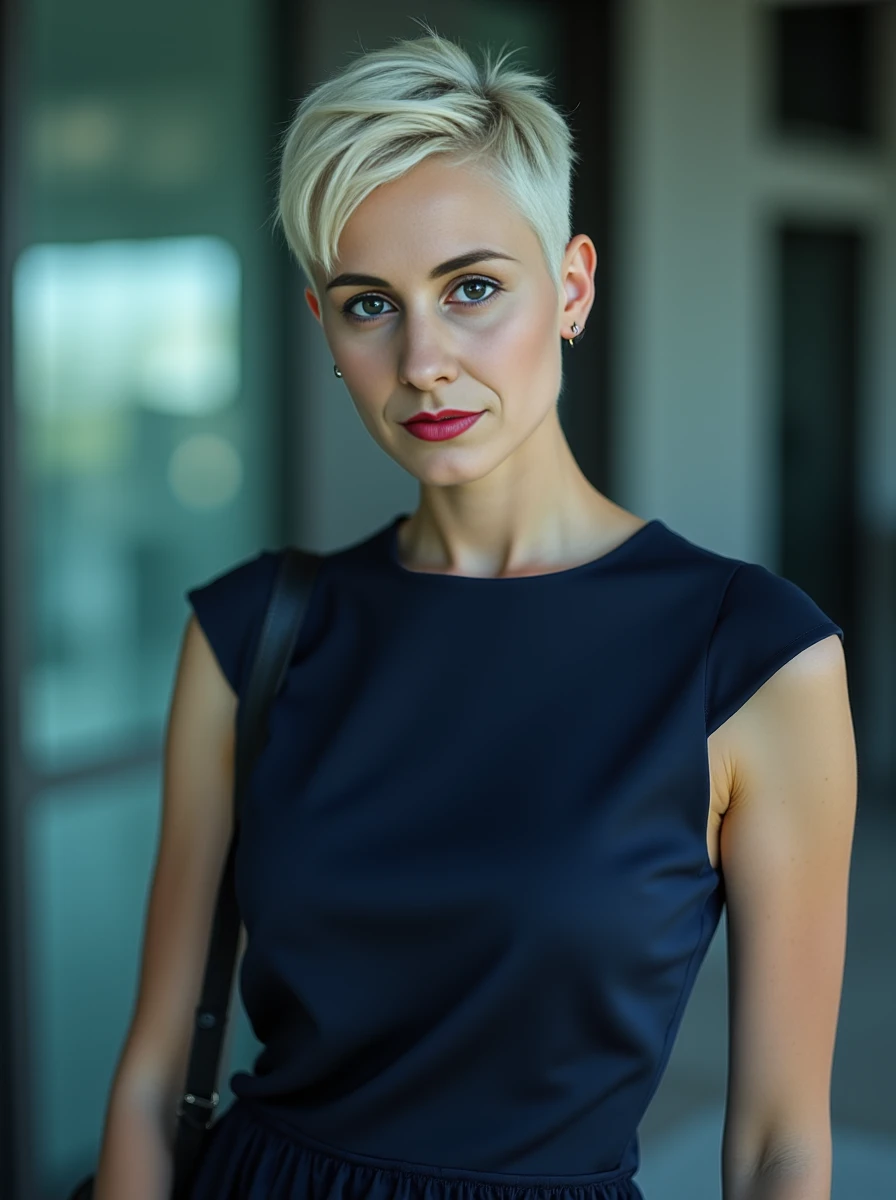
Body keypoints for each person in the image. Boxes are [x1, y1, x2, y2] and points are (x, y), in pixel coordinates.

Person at [92, 26, 857, 1200]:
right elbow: (151, 1078)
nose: (424, 359)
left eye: (473, 289)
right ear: (324, 330)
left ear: (571, 288)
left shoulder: (751, 657)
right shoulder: (252, 634)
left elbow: (777, 1145)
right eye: (368, 306)